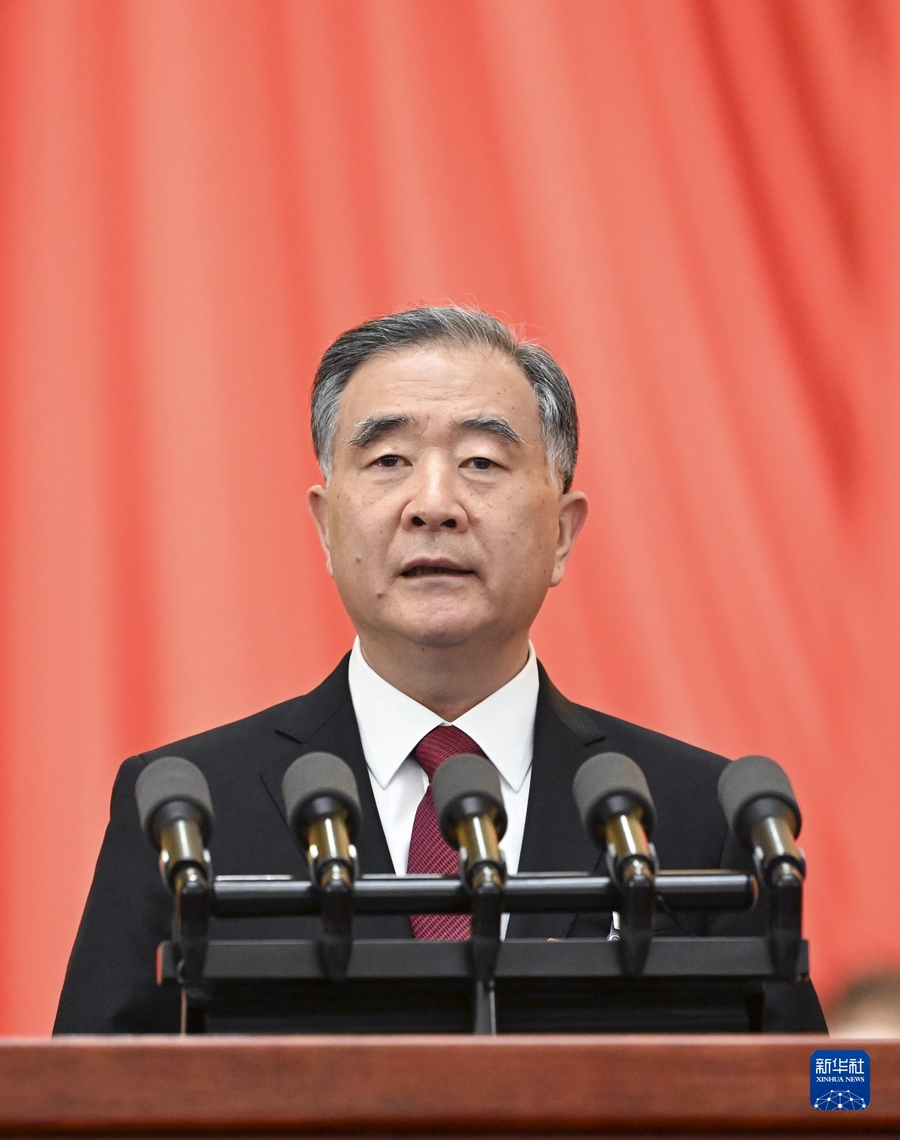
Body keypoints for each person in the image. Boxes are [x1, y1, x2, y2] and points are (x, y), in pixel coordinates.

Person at [53, 306, 825, 1032]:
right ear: (325, 527)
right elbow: (81, 1099)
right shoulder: (188, 813)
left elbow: (830, 1094)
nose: (433, 503)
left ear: (562, 533)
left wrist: (865, 1087)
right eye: (389, 460)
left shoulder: (696, 817)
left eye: (481, 461)